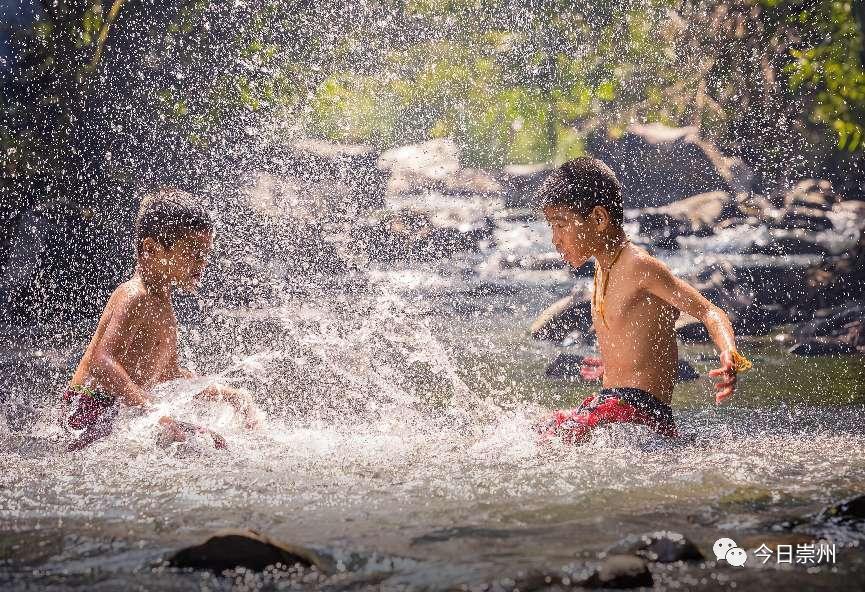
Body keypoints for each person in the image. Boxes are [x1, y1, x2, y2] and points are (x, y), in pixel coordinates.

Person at [535, 158, 751, 444]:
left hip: (640, 411)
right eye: (551, 226)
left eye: (561, 225)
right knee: (540, 428)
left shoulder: (640, 267)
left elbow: (709, 311)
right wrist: (612, 367)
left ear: (599, 219)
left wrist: (729, 352)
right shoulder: (602, 267)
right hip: (613, 404)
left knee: (553, 440)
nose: (555, 239)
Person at [62, 188, 256, 451]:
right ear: (151, 249)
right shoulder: (134, 295)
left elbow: (169, 377)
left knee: (214, 442)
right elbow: (101, 362)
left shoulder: (162, 302)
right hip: (89, 407)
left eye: (205, 253)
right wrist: (150, 408)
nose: (201, 262)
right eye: (192, 252)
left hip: (119, 409)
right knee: (196, 445)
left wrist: (229, 395)